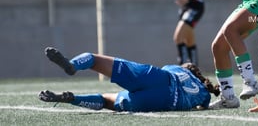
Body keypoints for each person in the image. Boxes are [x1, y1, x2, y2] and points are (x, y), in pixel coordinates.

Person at [39, 47, 220, 112]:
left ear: (186, 68)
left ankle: (72, 65)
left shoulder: (175, 69)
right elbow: (202, 106)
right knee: (106, 100)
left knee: (94, 59)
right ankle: (73, 99)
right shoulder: (204, 94)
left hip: (158, 78)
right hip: (162, 103)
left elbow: (167, 72)